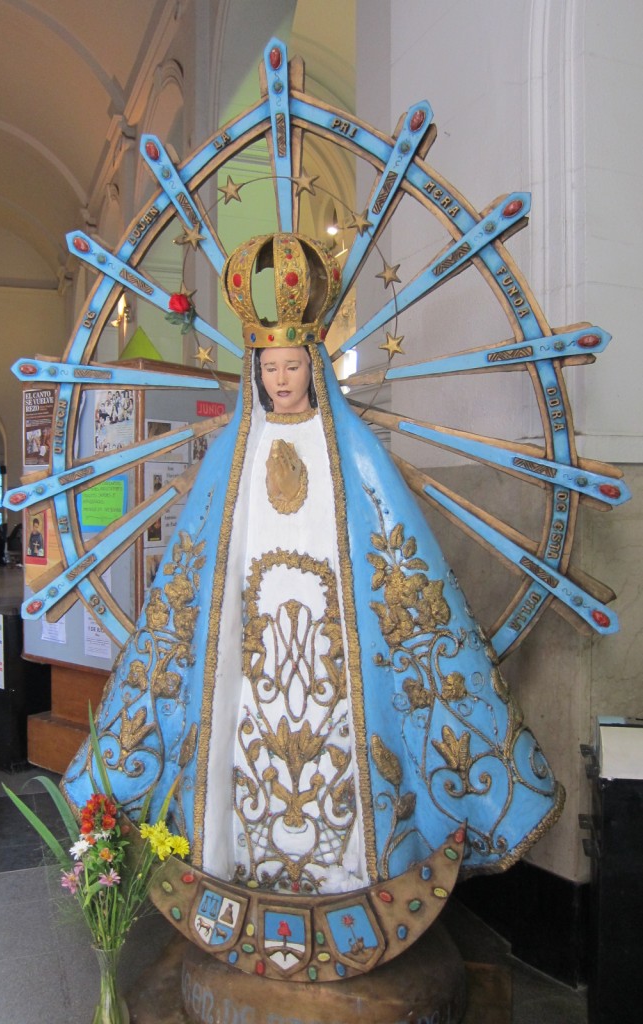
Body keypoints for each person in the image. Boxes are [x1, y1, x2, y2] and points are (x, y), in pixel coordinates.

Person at [63, 233, 563, 970]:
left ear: (314, 367)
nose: (283, 378)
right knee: (234, 761)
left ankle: (352, 880)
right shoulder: (232, 455)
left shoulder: (350, 447)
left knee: (349, 763)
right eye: (270, 367)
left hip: (340, 654)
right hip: (250, 655)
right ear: (254, 372)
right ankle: (232, 872)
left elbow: (394, 556)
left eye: (294, 365)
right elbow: (195, 572)